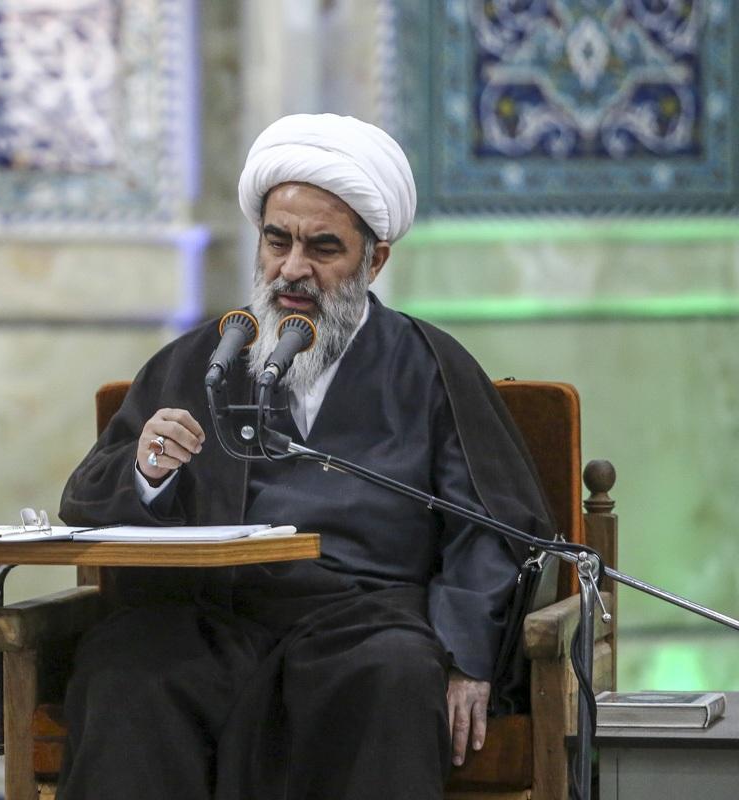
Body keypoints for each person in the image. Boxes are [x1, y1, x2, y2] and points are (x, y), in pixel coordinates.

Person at [57, 114, 555, 800]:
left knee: (396, 672)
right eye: (277, 241)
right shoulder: (204, 360)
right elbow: (86, 498)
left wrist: (468, 658)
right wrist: (146, 472)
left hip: (365, 625)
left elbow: (490, 529)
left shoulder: (428, 368)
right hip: (211, 623)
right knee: (125, 668)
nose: (292, 270)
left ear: (374, 261)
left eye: (323, 247)